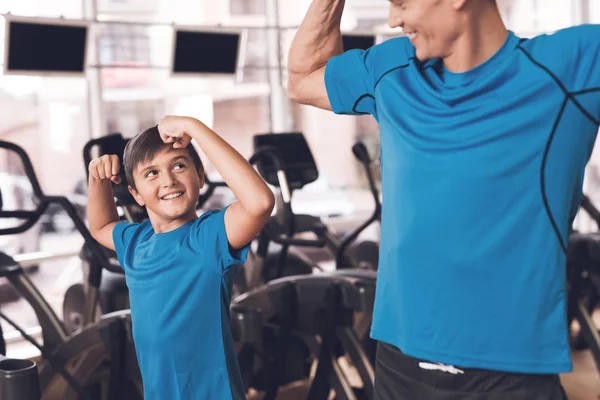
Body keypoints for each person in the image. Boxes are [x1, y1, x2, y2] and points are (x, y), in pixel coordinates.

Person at [288, 0, 600, 399]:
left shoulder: (567, 68)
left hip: (507, 376)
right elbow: (303, 78)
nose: (392, 19)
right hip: (399, 367)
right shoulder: (392, 69)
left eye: (401, 3)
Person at [87, 116, 275, 399]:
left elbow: (260, 202)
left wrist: (194, 128)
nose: (168, 180)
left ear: (200, 177)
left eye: (178, 165)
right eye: (151, 173)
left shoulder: (208, 238)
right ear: (136, 194)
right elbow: (100, 226)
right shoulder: (136, 243)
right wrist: (97, 178)